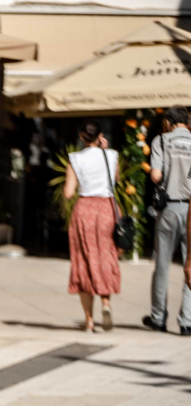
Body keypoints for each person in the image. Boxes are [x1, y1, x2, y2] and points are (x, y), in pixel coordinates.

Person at [64, 120, 121, 332]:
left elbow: (68, 193)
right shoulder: (112, 156)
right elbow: (116, 181)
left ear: (81, 137)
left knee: (83, 260)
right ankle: (106, 304)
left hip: (85, 209)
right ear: (100, 136)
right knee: (106, 256)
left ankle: (89, 320)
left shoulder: (75, 159)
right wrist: (105, 151)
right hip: (106, 208)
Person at [143, 106, 191, 335]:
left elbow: (156, 175)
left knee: (162, 265)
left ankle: (158, 317)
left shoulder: (161, 141)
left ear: (169, 122)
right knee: (190, 265)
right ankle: (187, 321)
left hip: (169, 208)